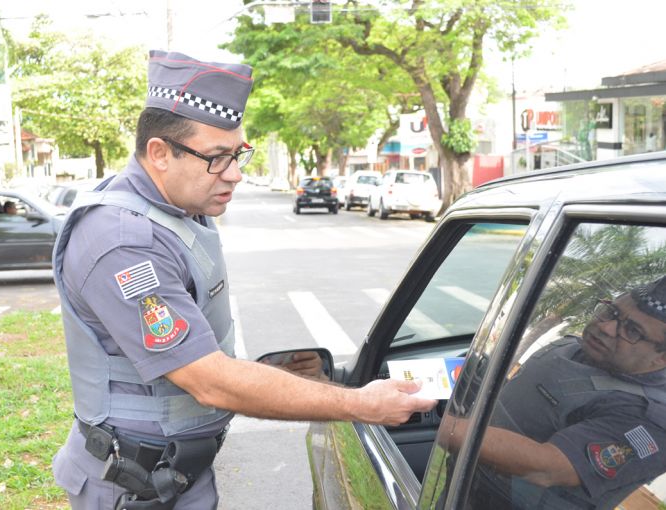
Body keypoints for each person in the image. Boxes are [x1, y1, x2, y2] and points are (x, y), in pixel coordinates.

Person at [51, 50, 436, 510]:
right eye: (217, 158)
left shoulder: (180, 209)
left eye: (238, 154)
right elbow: (210, 381)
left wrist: (268, 375)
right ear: (159, 154)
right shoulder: (122, 242)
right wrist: (360, 404)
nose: (235, 174)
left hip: (175, 477)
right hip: (133, 488)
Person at [440, 276, 666, 509]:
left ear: (662, 357)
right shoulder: (575, 349)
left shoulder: (650, 419)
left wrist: (445, 428)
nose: (606, 327)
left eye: (632, 331)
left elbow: (546, 467)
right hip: (464, 487)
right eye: (612, 313)